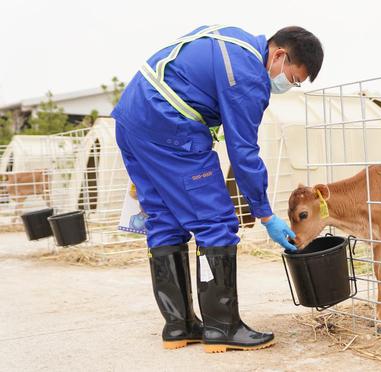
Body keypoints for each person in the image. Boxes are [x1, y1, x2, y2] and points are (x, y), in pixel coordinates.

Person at [112, 25, 323, 353]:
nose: (287, 86)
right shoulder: (249, 75)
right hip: (168, 123)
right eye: (293, 79)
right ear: (279, 55)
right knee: (216, 221)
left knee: (165, 220)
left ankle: (179, 326)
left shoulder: (232, 40)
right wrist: (265, 215)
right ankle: (222, 326)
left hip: (131, 118)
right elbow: (243, 152)